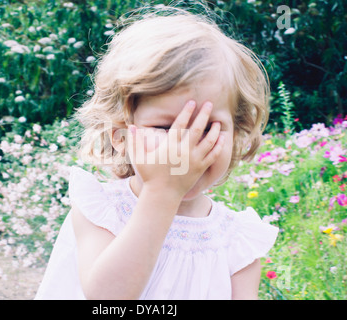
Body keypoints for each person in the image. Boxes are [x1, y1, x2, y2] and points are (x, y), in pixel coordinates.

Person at [35, 5, 279, 300]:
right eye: (165, 127)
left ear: (238, 134)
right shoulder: (102, 211)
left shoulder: (237, 241)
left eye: (208, 128)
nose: (184, 147)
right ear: (121, 135)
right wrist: (162, 192)